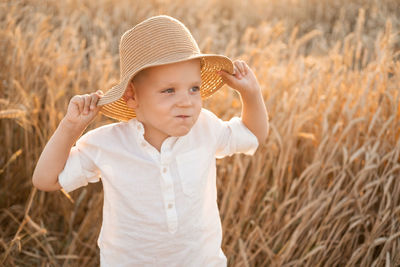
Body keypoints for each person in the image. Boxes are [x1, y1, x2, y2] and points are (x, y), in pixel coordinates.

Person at [32, 15, 269, 266]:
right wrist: (70, 128)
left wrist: (251, 94)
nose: (186, 101)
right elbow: (45, 180)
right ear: (131, 96)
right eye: (169, 90)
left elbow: (254, 134)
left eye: (194, 88)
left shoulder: (205, 128)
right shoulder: (108, 143)